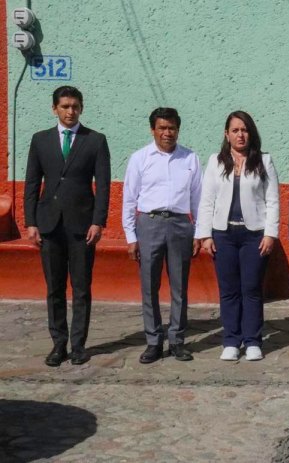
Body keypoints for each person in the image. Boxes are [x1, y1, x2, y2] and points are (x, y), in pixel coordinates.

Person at [24, 86, 111, 367]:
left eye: (75, 106)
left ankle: (78, 346)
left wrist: (98, 221)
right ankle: (58, 344)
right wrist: (31, 222)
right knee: (54, 288)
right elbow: (32, 183)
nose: (70, 111)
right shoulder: (40, 140)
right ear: (55, 109)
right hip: (49, 225)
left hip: (82, 226)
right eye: (64, 106)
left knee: (82, 288)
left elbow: (104, 185)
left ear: (81, 108)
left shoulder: (95, 140)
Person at [196, 111, 280, 362]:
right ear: (227, 134)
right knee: (229, 290)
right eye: (235, 130)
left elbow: (273, 200)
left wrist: (270, 234)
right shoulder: (215, 161)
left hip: (254, 235)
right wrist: (205, 235)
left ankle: (253, 341)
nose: (240, 134)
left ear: (251, 133)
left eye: (244, 130)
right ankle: (231, 340)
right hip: (224, 234)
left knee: (251, 289)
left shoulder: (264, 161)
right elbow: (207, 200)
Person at [123, 108, 202, 364]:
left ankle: (177, 340)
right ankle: (153, 341)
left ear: (178, 130)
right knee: (149, 286)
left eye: (172, 128)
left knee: (180, 287)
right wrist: (131, 236)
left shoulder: (190, 158)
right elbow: (129, 199)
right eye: (162, 128)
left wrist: (199, 232)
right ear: (152, 130)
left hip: (180, 225)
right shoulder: (139, 158)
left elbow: (198, 198)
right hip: (149, 224)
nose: (167, 133)